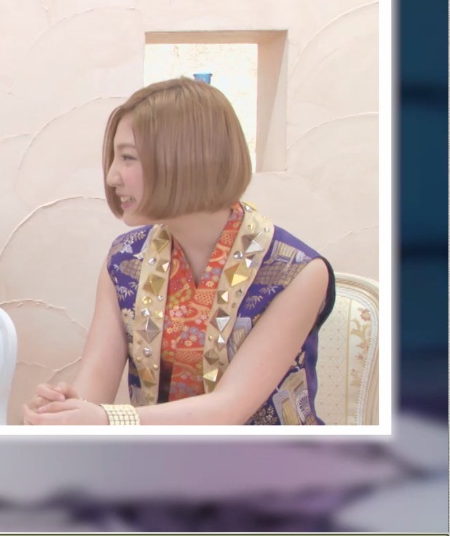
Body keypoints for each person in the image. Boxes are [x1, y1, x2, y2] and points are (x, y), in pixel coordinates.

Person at [24, 77, 335, 426]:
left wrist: (106, 420)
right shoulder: (124, 260)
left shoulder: (297, 272)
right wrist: (64, 409)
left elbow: (228, 409)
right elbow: (94, 390)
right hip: (155, 455)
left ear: (186, 159)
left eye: (127, 158)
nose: (112, 176)